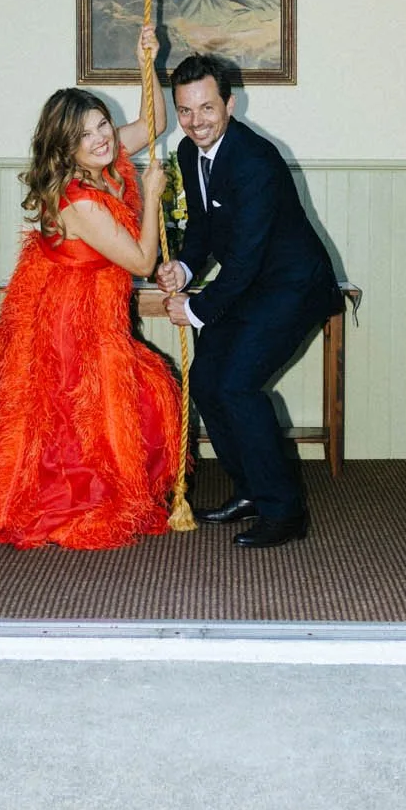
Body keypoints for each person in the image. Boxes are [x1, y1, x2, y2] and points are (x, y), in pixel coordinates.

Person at [0, 26, 181, 549]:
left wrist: (150, 62)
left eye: (103, 125)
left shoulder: (106, 158)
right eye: (87, 135)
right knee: (77, 410)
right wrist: (151, 193)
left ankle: (94, 488)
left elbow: (158, 121)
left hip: (89, 307)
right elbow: (142, 258)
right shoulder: (81, 200)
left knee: (104, 404)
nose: (102, 138)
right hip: (69, 320)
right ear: (66, 147)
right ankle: (75, 501)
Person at [156, 52, 342, 549]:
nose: (196, 122)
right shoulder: (189, 153)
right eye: (186, 110)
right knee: (209, 381)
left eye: (206, 108)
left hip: (293, 287)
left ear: (229, 105)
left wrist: (194, 309)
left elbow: (245, 259)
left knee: (237, 385)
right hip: (253, 283)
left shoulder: (256, 160)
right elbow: (202, 229)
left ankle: (285, 513)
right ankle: (252, 492)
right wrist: (185, 267)